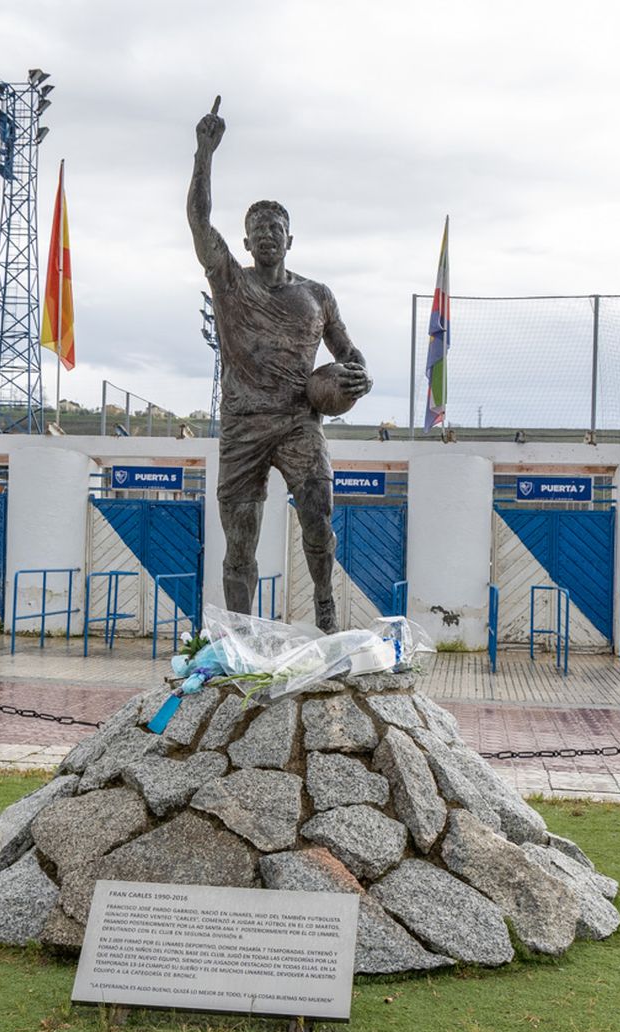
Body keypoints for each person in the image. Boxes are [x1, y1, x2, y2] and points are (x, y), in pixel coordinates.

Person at [187, 96, 372, 632]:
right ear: (245, 242)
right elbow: (198, 219)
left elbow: (349, 354)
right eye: (258, 228)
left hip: (298, 420)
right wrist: (204, 154)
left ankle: (324, 603)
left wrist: (359, 377)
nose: (267, 234)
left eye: (276, 227)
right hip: (244, 426)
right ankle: (242, 636)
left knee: (318, 510)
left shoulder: (317, 295)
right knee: (239, 540)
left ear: (291, 239)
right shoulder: (230, 281)